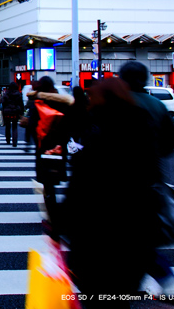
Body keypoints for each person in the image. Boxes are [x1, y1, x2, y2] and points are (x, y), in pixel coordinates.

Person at [61, 78, 162, 305]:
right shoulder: (142, 125)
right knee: (121, 295)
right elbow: (152, 173)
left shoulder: (99, 128)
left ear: (103, 99)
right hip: (135, 229)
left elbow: (81, 183)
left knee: (97, 295)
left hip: (97, 233)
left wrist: (60, 223)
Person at [119, 62, 174, 296]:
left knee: (125, 235)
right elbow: (172, 142)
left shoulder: (117, 104)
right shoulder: (157, 105)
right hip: (151, 180)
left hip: (118, 181)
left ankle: (160, 277)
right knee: (140, 233)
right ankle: (159, 278)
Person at [25, 76, 73, 236]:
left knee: (47, 184)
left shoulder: (37, 103)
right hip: (59, 148)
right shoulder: (63, 103)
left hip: (43, 148)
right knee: (58, 177)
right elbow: (70, 126)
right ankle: (63, 210)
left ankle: (52, 215)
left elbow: (32, 126)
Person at [0, 82, 24, 147]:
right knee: (14, 126)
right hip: (15, 111)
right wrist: (22, 112)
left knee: (7, 126)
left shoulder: (6, 93)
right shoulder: (18, 94)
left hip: (7, 111)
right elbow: (21, 103)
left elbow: (3, 102)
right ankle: (15, 141)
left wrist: (3, 110)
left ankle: (8, 139)